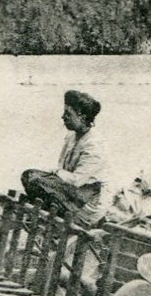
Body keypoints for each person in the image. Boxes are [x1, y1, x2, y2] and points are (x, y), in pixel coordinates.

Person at [21, 90, 109, 226]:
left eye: (68, 114)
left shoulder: (95, 144)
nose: (63, 117)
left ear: (82, 116)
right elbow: (62, 171)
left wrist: (53, 173)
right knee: (29, 177)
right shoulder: (71, 137)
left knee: (32, 177)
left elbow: (76, 181)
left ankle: (70, 220)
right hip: (71, 194)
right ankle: (49, 215)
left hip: (85, 204)